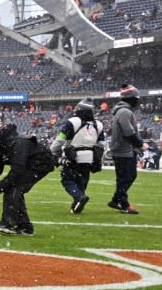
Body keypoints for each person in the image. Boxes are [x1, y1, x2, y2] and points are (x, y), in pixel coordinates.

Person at [0, 125, 56, 235]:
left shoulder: (17, 143)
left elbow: (17, 170)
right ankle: (25, 227)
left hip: (41, 162)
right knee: (14, 189)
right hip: (28, 164)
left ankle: (8, 223)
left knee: (14, 188)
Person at [49, 98, 103, 213]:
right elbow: (101, 144)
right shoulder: (98, 124)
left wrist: (52, 152)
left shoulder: (73, 122)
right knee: (82, 181)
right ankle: (76, 206)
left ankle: (79, 197)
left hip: (73, 155)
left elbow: (60, 140)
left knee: (67, 179)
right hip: (90, 157)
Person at [107, 84, 146, 214]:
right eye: (136, 97)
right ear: (131, 98)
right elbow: (128, 132)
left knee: (124, 178)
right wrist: (140, 144)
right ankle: (119, 200)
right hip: (124, 150)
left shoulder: (122, 111)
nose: (138, 100)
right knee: (128, 176)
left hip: (122, 149)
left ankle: (121, 202)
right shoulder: (124, 112)